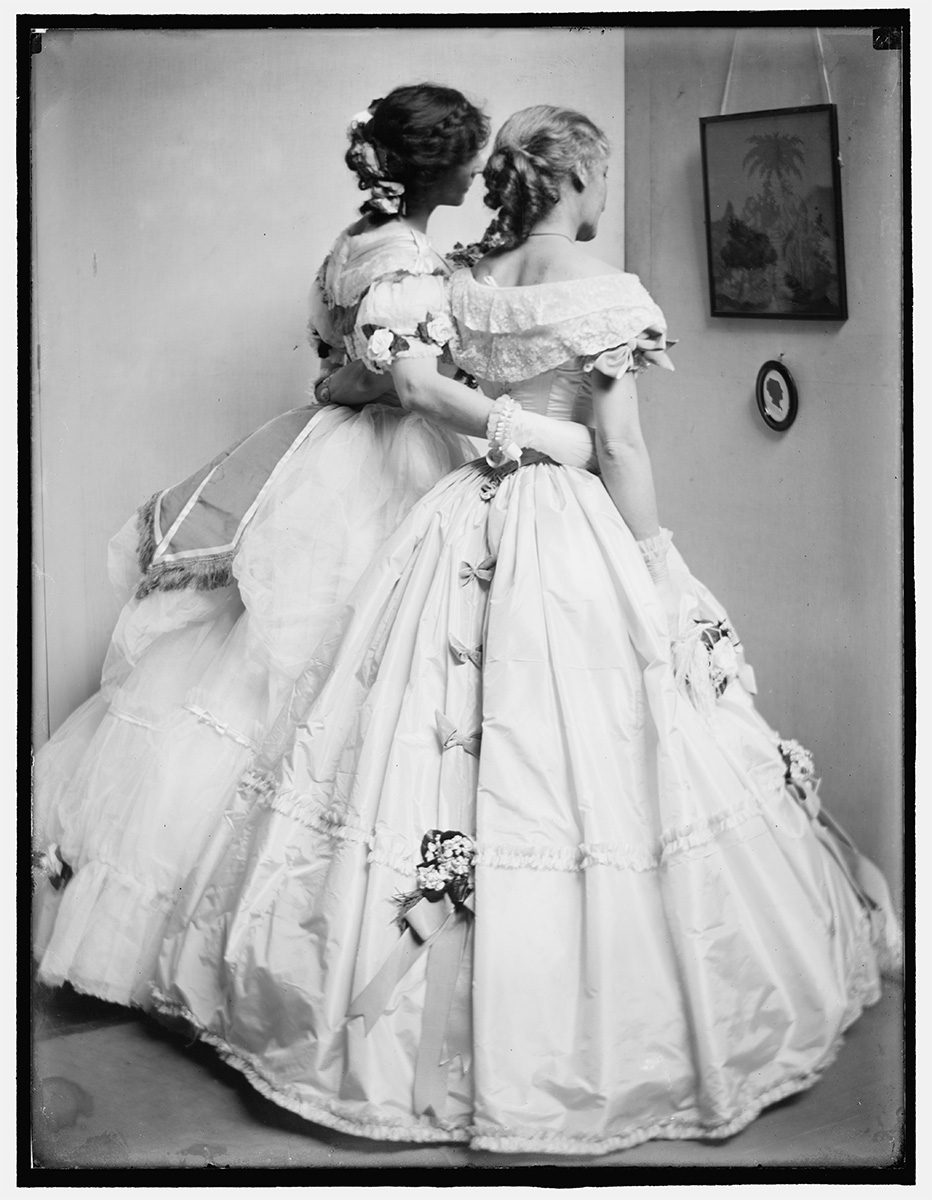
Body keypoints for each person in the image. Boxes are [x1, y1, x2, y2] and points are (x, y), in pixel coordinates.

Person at [153, 105, 899, 1154]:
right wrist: (652, 567)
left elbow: (414, 387)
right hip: (562, 531)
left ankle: (395, 1025)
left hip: (458, 513)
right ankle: (550, 1034)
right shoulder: (603, 295)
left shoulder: (459, 279)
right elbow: (620, 450)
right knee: (580, 764)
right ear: (581, 177)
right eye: (599, 180)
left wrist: (504, 428)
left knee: (419, 751)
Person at [32, 84, 601, 1011]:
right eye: (470, 159)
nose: (482, 171)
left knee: (288, 686)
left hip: (328, 450)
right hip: (382, 467)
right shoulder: (407, 259)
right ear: (443, 169)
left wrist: (354, 383)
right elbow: (410, 388)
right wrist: (527, 431)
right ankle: (294, 935)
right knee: (337, 687)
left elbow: (350, 368)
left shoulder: (360, 246)